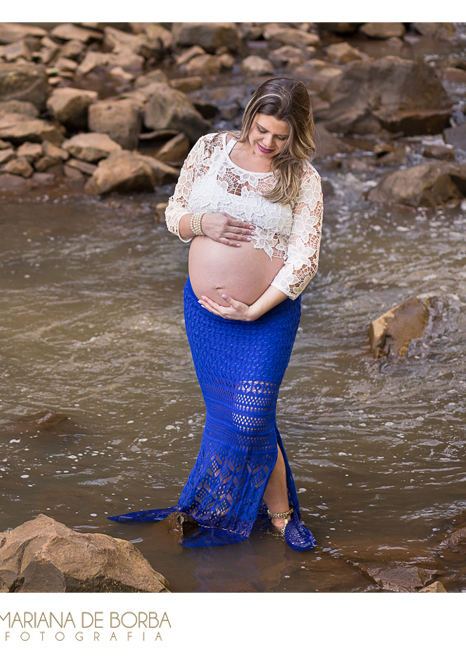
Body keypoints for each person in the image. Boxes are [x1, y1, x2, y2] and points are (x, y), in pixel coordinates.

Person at [109, 77, 323, 551]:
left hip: (268, 316)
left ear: (297, 134)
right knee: (237, 412)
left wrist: (253, 311)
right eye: (261, 131)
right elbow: (174, 213)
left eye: (281, 137)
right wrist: (203, 222)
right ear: (249, 118)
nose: (268, 144)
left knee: (249, 414)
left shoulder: (303, 178)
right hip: (205, 313)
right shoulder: (209, 149)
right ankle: (278, 515)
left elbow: (304, 259)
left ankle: (245, 506)